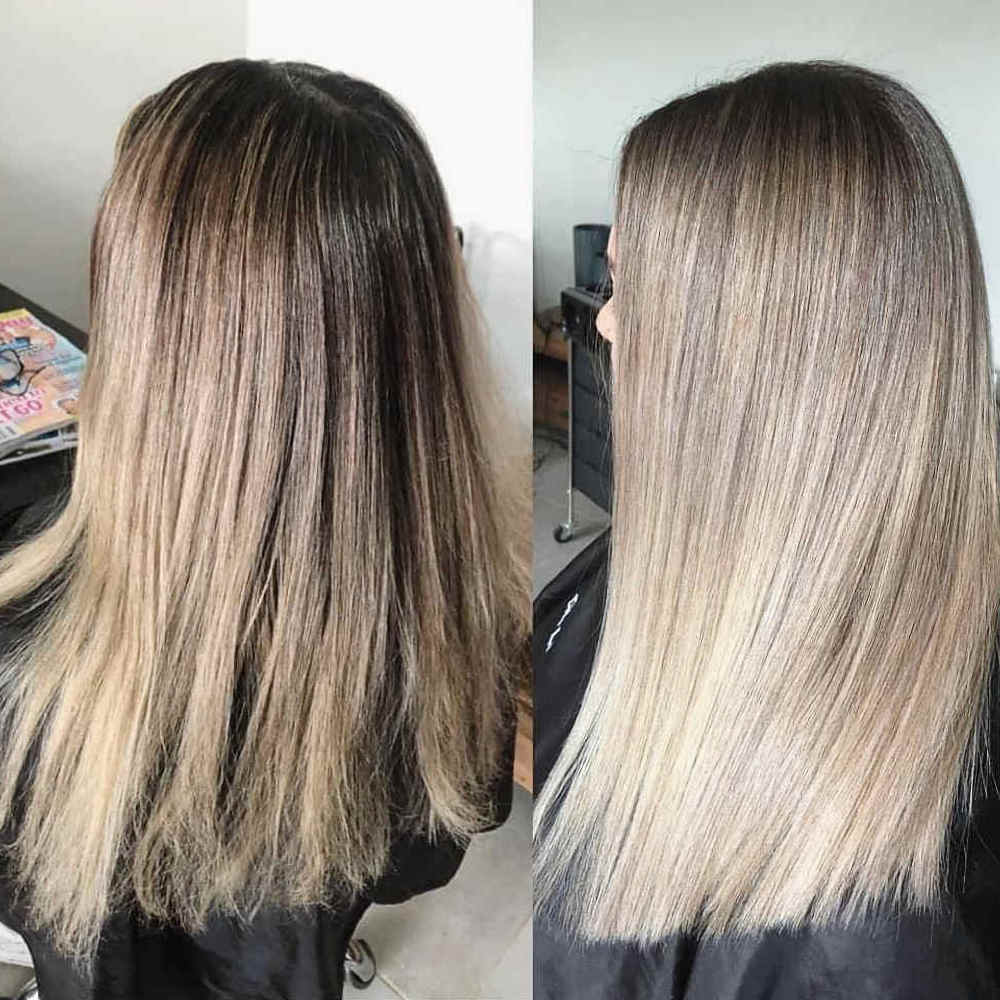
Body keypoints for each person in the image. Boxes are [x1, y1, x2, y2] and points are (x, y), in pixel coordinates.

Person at [0, 59, 528, 1000]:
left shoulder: (20, 649)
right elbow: (426, 858)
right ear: (416, 337)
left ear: (143, 310)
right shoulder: (458, 635)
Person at [533, 61, 1000, 999]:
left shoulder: (875, 930)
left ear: (754, 351)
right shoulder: (694, 540)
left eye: (629, 285)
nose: (607, 323)